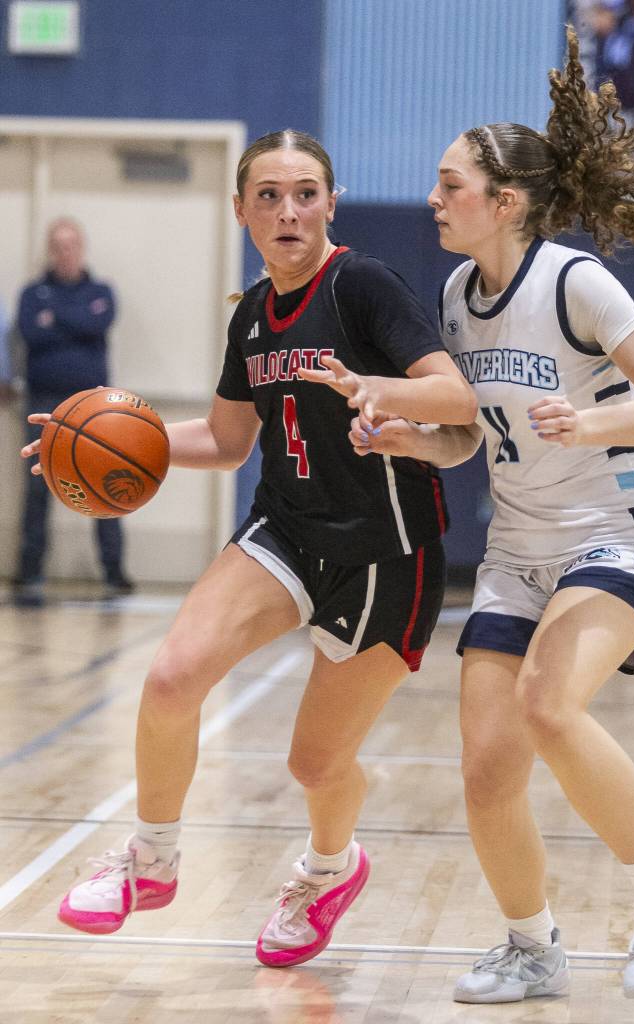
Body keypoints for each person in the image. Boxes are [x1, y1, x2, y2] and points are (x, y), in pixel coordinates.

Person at [22, 131, 477, 961]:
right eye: (267, 196)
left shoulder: (362, 285)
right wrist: (95, 439)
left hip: (387, 554)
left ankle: (329, 870)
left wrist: (379, 389)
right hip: (286, 530)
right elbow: (230, 440)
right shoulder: (254, 317)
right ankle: (149, 863)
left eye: (304, 193)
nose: (287, 210)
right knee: (169, 677)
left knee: (313, 764)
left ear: (330, 204)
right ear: (240, 212)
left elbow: (454, 397)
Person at [339, 26, 634, 1003]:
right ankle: (531, 944)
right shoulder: (459, 297)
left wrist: (595, 421)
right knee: (486, 767)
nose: (432, 199)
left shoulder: (574, 282)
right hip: (515, 550)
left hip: (619, 536)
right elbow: (467, 439)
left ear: (503, 201)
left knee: (549, 706)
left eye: (449, 183)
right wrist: (404, 439)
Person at [14, 218, 133, 600]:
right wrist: (76, 319)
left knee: (104, 483)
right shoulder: (33, 293)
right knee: (38, 486)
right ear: (51, 249)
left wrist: (59, 317)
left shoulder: (101, 291)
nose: (65, 253)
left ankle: (114, 573)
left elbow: (98, 323)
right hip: (43, 403)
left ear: (81, 248)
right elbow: (31, 332)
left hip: (93, 406)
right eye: (58, 246)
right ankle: (29, 571)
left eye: (71, 245)